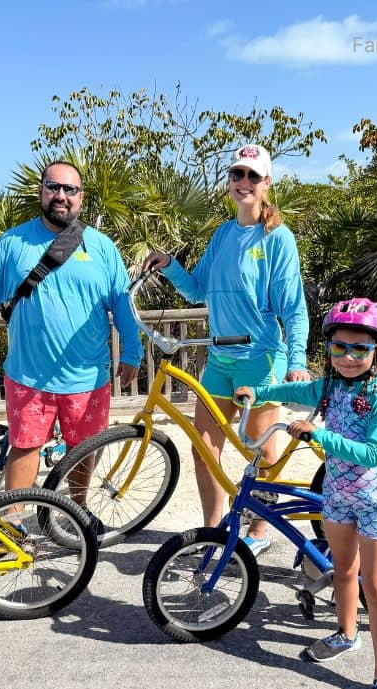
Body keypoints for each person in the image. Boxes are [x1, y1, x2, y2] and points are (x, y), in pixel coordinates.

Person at [236, 298, 377, 689]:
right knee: (343, 570)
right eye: (339, 348)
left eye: (360, 349)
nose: (348, 357)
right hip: (337, 495)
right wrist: (259, 393)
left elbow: (373, 452)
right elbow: (292, 391)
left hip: (375, 502)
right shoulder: (329, 387)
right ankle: (346, 634)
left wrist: (320, 434)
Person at [142, 143, 310, 556]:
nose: (244, 183)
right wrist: (169, 265)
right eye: (238, 174)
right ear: (230, 181)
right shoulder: (222, 234)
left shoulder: (277, 238)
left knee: (262, 453)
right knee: (205, 449)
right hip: (219, 360)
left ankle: (258, 530)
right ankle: (213, 532)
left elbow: (294, 309)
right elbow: (197, 289)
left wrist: (298, 361)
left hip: (261, 360)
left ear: (267, 183)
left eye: (253, 176)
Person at [0, 161, 141, 491]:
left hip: (87, 376)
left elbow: (122, 302)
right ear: (41, 191)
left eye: (69, 189)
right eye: (54, 187)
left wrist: (132, 352)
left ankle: (77, 513)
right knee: (24, 447)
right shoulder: (13, 242)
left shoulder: (102, 247)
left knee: (83, 450)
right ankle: (13, 520)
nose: (61, 195)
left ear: (81, 197)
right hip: (28, 375)